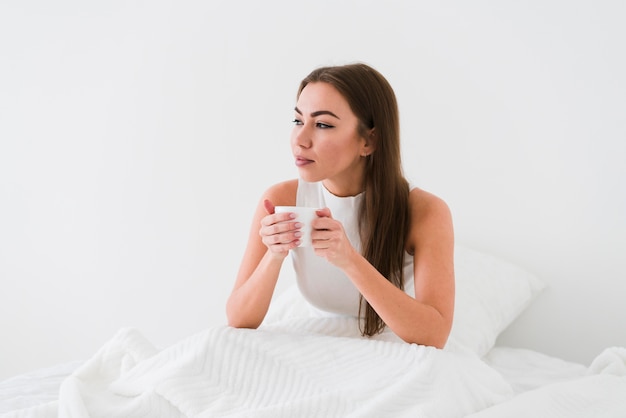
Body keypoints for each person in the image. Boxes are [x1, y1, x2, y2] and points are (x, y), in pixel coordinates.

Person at [226, 63, 454, 348]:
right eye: (298, 121)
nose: (301, 139)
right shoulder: (281, 199)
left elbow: (435, 334)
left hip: (396, 345)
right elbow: (238, 319)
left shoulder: (426, 212)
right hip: (316, 340)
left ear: (369, 141)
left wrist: (349, 259)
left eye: (323, 124)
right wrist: (274, 255)